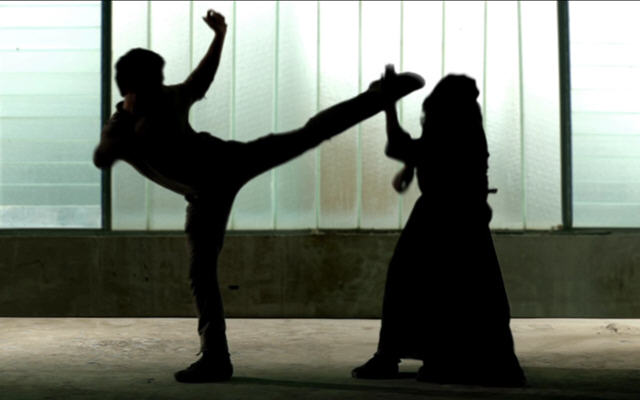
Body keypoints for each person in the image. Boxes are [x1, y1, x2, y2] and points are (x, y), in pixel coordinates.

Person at [93, 10, 425, 383]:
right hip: (202, 198)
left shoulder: (168, 99)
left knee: (308, 134)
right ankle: (216, 358)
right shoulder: (120, 127)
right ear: (131, 90)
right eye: (153, 83)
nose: (161, 87)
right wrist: (126, 131)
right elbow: (101, 157)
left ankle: (380, 96)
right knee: (201, 272)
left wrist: (220, 35)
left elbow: (200, 81)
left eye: (160, 81)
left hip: (228, 161)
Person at [351, 70, 526, 387]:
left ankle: (419, 359)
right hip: (463, 218)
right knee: (467, 292)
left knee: (422, 286)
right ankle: (450, 360)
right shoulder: (466, 127)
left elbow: (400, 146)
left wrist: (389, 105)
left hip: (441, 217)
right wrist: (411, 165)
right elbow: (422, 152)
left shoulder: (453, 132)